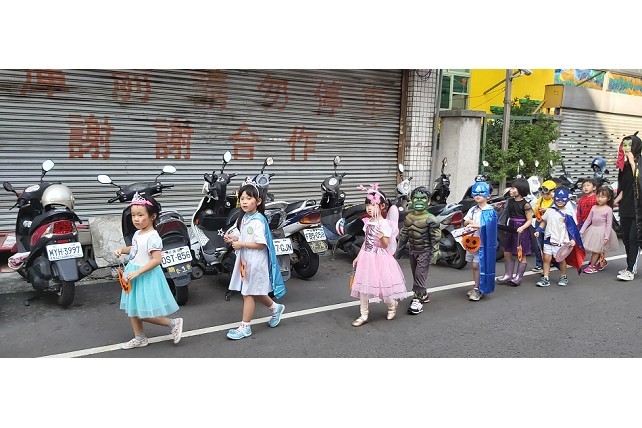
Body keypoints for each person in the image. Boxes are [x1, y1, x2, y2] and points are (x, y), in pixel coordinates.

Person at [115, 193, 183, 350]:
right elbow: (135, 249)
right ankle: (139, 338)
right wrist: (122, 250)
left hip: (145, 275)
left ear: (153, 216)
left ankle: (173, 323)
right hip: (133, 273)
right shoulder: (138, 233)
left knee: (143, 312)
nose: (136, 219)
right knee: (133, 309)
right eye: (133, 215)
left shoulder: (153, 237)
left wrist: (138, 272)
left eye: (140, 215)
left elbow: (156, 260)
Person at [224, 181, 287, 340]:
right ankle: (275, 308)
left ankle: (245, 327)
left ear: (258, 201)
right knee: (256, 291)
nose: (244, 202)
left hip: (256, 263)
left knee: (248, 293)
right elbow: (244, 236)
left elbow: (261, 244)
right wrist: (234, 238)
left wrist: (241, 244)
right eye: (242, 198)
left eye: (248, 198)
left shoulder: (258, 220)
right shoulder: (245, 217)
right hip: (246, 261)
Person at [351, 184, 407, 326]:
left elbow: (385, 245)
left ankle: (392, 305)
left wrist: (382, 237)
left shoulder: (385, 224)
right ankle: (363, 315)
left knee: (383, 289)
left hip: (380, 258)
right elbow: (366, 241)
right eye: (367, 204)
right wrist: (358, 256)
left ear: (382, 206)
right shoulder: (368, 222)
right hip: (366, 257)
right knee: (363, 287)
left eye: (373, 204)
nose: (369, 208)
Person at [396, 186, 441, 315]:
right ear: (411, 200)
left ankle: (417, 299)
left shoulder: (431, 219)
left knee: (419, 275)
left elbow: (436, 238)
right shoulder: (409, 217)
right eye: (416, 198)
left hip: (425, 252)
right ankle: (423, 294)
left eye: (423, 198)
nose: (419, 201)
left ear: (428, 201)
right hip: (412, 251)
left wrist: (435, 253)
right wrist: (398, 252)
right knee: (416, 274)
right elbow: (404, 234)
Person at [534, 187, 585, 287]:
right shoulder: (549, 211)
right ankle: (545, 277)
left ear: (567, 199)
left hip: (562, 241)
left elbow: (572, 228)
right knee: (546, 258)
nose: (560, 201)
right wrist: (539, 230)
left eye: (563, 199)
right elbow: (544, 221)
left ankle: (563, 276)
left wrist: (573, 239)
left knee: (561, 259)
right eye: (558, 199)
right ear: (554, 198)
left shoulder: (568, 213)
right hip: (548, 238)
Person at [614, 132, 642, 281]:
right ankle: (630, 266)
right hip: (626, 207)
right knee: (625, 238)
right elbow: (624, 188)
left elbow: (639, 180)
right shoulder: (624, 166)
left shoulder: (639, 163)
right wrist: (614, 202)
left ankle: (630, 270)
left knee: (633, 239)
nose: (626, 148)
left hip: (638, 208)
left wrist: (632, 162)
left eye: (629, 145)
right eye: (624, 145)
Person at [462, 181, 497, 301]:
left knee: (477, 265)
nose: (478, 195)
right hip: (472, 241)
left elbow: (490, 226)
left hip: (484, 244)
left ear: (488, 195)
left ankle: (478, 289)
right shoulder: (472, 209)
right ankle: (476, 286)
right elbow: (465, 222)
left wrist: (477, 225)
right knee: (474, 265)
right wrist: (469, 222)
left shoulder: (490, 210)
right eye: (475, 193)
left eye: (481, 193)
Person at [496, 178, 533, 287]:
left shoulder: (526, 204)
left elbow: (530, 220)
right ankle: (508, 275)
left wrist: (522, 227)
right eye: (511, 188)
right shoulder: (510, 201)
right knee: (507, 251)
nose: (511, 190)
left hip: (522, 230)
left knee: (521, 253)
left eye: (513, 188)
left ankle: (518, 277)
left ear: (521, 189)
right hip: (511, 227)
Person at [580, 186, 618, 274]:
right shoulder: (594, 207)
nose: (599, 199)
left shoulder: (608, 209)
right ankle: (601, 262)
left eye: (602, 197)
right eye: (598, 196)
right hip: (593, 230)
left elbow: (609, 224)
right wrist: (582, 230)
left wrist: (606, 236)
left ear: (608, 198)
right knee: (596, 249)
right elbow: (588, 220)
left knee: (596, 250)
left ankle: (592, 266)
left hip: (602, 231)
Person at [532, 180, 557, 272]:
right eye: (543, 193)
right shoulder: (540, 199)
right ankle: (539, 264)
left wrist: (547, 210)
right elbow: (535, 209)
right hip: (539, 222)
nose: (545, 195)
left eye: (547, 193)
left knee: (549, 245)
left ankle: (552, 262)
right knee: (538, 244)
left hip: (550, 225)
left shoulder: (556, 201)